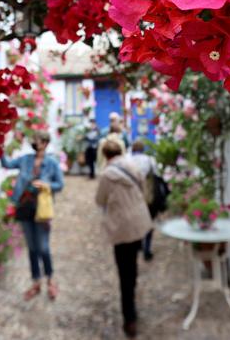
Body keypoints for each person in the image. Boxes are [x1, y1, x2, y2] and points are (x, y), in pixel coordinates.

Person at [95, 140, 153, 338]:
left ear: (105, 155)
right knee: (132, 264)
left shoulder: (106, 175)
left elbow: (99, 200)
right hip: (137, 222)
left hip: (120, 226)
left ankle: (130, 318)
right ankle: (132, 294)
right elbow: (143, 188)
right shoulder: (133, 166)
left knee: (123, 270)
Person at [2, 131, 65, 299]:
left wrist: (45, 184)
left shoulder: (52, 163)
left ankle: (50, 280)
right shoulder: (25, 159)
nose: (33, 142)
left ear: (44, 142)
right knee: (32, 248)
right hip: (24, 207)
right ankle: (36, 282)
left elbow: (60, 184)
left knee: (43, 247)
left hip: (41, 209)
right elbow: (7, 164)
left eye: (36, 140)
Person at [129, 140, 157, 261]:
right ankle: (147, 248)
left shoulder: (127, 161)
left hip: (132, 195)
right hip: (147, 195)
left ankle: (138, 244)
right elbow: (157, 174)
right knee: (149, 220)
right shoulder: (150, 160)